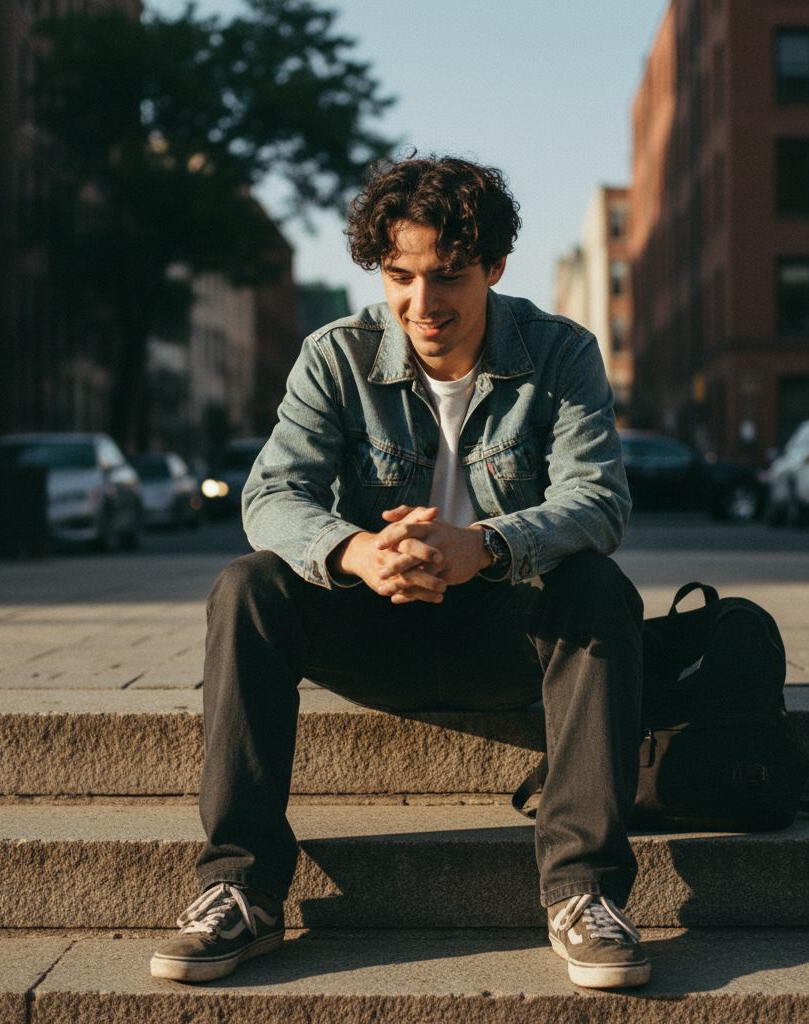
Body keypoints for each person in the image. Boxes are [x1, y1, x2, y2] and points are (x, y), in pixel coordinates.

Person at [150, 155, 648, 990]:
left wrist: (483, 544)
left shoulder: (561, 355)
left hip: (504, 635)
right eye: (400, 276)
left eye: (449, 276)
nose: (424, 305)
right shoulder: (336, 358)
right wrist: (358, 552)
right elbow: (272, 494)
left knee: (600, 587)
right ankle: (240, 887)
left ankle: (583, 892)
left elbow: (598, 500)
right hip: (372, 634)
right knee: (248, 587)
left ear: (494, 266)